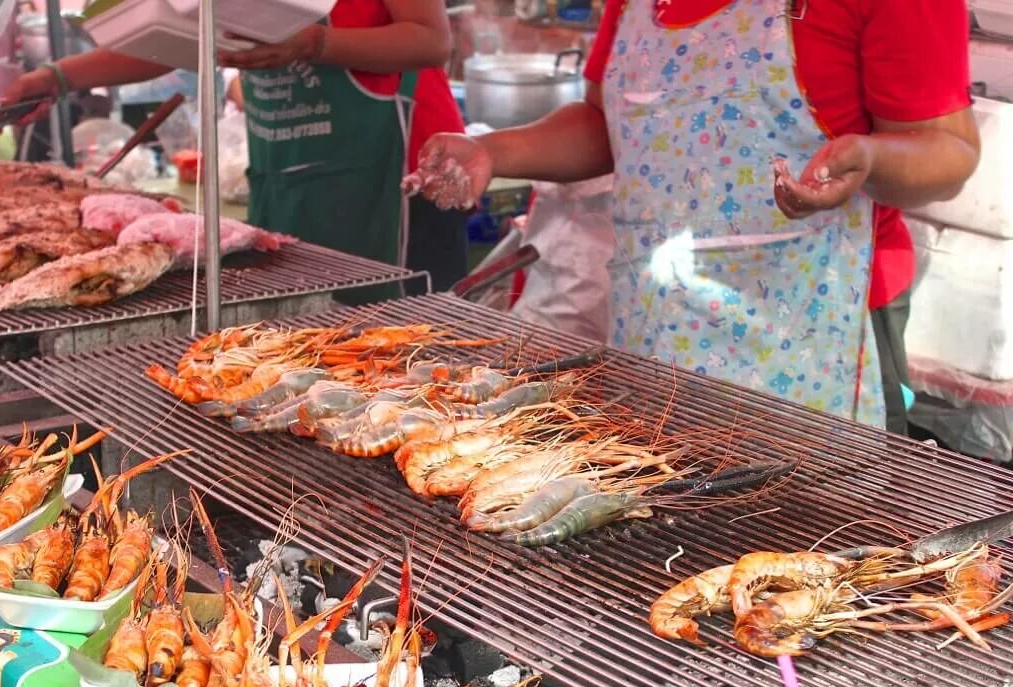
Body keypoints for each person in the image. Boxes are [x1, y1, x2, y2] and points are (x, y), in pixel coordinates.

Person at [414, 0, 979, 432]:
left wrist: (874, 157)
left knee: (806, 550)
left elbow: (948, 152)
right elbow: (602, 121)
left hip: (816, 327)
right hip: (657, 322)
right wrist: (495, 152)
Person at [3, 1, 468, 294]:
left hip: (398, 177)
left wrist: (314, 42)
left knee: (397, 352)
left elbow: (432, 40)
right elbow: (179, 40)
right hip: (290, 174)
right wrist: (58, 78)